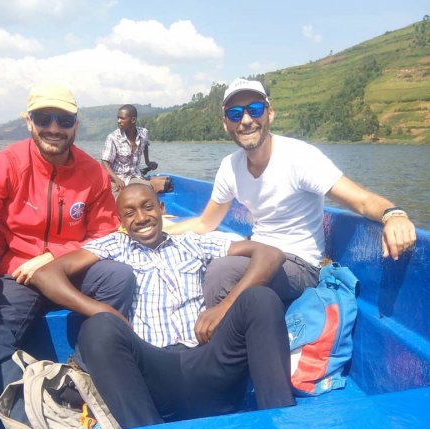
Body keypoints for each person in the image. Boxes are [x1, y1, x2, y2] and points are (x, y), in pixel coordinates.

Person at [0, 83, 135, 429]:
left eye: (64, 119)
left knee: (119, 277)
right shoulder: (8, 163)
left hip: (71, 270)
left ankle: (79, 378)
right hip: (18, 273)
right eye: (44, 118)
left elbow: (105, 235)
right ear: (29, 121)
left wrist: (55, 257)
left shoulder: (93, 174)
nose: (53, 127)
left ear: (76, 124)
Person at [30, 184, 295, 429]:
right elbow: (46, 275)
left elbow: (269, 253)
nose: (141, 218)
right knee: (97, 327)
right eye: (129, 213)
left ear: (162, 209)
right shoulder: (113, 246)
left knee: (260, 298)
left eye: (148, 207)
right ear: (120, 221)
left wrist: (225, 306)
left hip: (209, 362)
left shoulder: (193, 242)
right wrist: (102, 310)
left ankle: (278, 421)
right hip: (155, 373)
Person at [167, 78, 417, 306]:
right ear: (226, 124)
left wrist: (392, 214)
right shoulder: (230, 167)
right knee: (192, 258)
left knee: (222, 272)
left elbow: (362, 200)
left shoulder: (299, 157)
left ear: (270, 113)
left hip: (298, 264)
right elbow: (205, 222)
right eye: (235, 114)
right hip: (257, 251)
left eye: (255, 109)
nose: (245, 120)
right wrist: (162, 230)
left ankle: (225, 348)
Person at [101, 104, 158, 198]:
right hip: (116, 178)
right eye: (118, 118)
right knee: (121, 200)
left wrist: (148, 162)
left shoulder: (143, 133)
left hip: (134, 175)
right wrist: (116, 179)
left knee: (148, 193)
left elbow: (145, 145)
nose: (118, 121)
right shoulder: (113, 138)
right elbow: (104, 163)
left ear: (133, 120)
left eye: (122, 118)